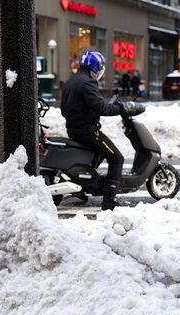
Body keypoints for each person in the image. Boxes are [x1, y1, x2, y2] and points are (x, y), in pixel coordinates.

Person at [61, 50, 140, 210]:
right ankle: (109, 200)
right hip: (88, 132)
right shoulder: (88, 82)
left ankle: (82, 186)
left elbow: (66, 108)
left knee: (95, 156)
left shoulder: (72, 80)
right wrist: (122, 108)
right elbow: (101, 107)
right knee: (116, 158)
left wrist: (88, 111)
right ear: (96, 67)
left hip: (73, 129)